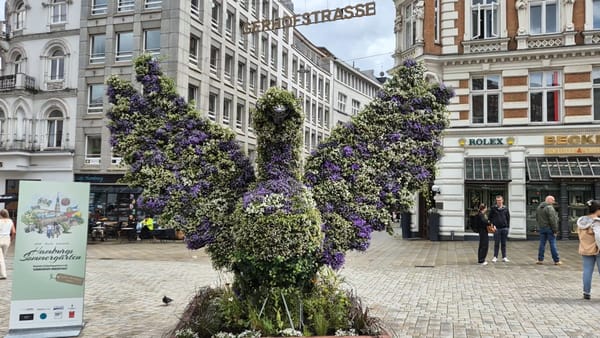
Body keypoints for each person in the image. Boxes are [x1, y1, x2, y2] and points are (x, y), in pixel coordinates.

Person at [576, 200, 600, 300]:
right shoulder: (596, 222)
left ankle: (586, 292)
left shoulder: (581, 221)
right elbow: (599, 236)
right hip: (597, 249)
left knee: (587, 270)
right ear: (597, 210)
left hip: (585, 248)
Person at [536, 195, 561, 265]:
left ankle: (540, 259)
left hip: (542, 228)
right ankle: (556, 260)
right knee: (552, 244)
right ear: (549, 200)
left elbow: (537, 218)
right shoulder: (550, 208)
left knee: (542, 244)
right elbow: (553, 220)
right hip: (549, 228)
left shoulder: (539, 207)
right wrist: (555, 230)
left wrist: (540, 226)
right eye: (553, 200)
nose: (553, 202)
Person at [488, 195, 510, 263]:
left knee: (504, 243)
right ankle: (495, 257)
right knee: (496, 243)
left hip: (504, 228)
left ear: (502, 200)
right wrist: (492, 226)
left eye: (500, 200)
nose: (499, 202)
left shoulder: (506, 208)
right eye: (497, 201)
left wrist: (507, 227)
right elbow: (490, 218)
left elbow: (508, 218)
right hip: (496, 228)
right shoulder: (493, 208)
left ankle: (504, 257)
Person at [0, 209, 16, 280]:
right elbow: (14, 232)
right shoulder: (10, 221)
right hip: (7, 240)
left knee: (1, 259)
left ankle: (3, 274)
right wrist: (11, 239)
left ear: (1, 214)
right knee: (2, 257)